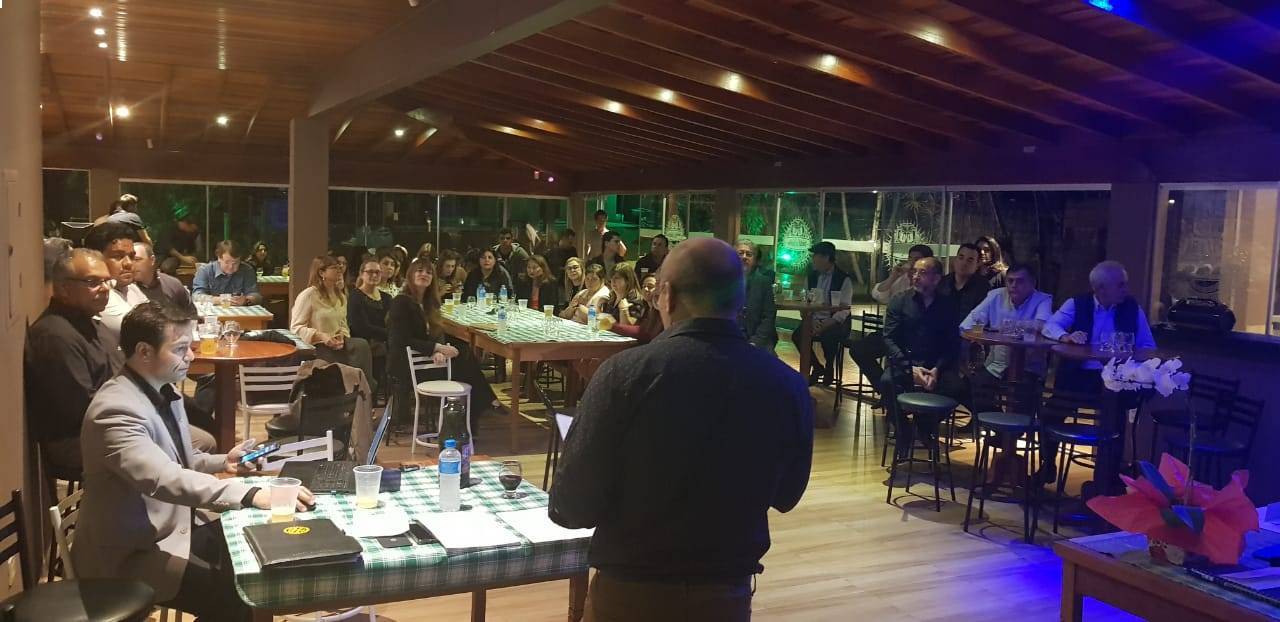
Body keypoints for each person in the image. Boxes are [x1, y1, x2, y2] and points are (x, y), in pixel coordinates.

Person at [549, 238, 813, 622]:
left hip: (630, 593)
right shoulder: (787, 384)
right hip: (727, 596)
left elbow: (572, 505)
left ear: (667, 296)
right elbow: (788, 494)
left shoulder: (623, 374)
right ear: (739, 301)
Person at [73, 302, 313, 622]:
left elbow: (176, 460)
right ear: (144, 352)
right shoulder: (116, 410)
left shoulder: (161, 390)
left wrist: (223, 462)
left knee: (250, 557)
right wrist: (250, 493)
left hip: (169, 525)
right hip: (129, 553)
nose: (190, 356)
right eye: (180, 348)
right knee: (239, 596)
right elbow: (164, 478)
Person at [1038, 260, 1156, 483]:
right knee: (1048, 414)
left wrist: (1133, 362)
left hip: (1114, 377)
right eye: (1120, 285)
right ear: (1101, 288)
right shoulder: (1077, 303)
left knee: (1115, 419)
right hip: (1079, 375)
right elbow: (1049, 326)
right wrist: (1066, 336)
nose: (1126, 289)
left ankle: (1108, 478)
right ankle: (1048, 465)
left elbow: (1148, 345)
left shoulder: (1132, 308)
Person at [25, 248, 124, 475]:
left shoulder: (90, 324)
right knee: (186, 443)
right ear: (63, 288)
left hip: (110, 422)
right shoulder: (55, 335)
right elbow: (84, 407)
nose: (105, 288)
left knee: (184, 429)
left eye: (107, 281)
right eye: (93, 282)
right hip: (76, 440)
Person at [387, 258, 506, 425]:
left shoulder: (429, 303)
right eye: (419, 271)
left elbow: (435, 333)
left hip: (425, 358)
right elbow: (402, 339)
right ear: (410, 275)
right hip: (406, 364)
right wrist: (436, 348)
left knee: (464, 354)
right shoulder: (401, 302)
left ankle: (473, 413)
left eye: (429, 272)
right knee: (465, 364)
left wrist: (438, 350)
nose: (424, 274)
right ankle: (479, 408)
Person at [881, 257, 965, 439]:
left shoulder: (948, 305)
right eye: (914, 272)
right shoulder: (899, 300)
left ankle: (924, 426)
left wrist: (937, 369)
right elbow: (889, 338)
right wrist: (909, 368)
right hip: (906, 362)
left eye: (922, 273)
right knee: (887, 382)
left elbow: (952, 343)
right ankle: (903, 429)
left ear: (936, 278)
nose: (916, 277)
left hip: (935, 365)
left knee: (957, 387)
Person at [291, 255, 377, 394]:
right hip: (317, 346)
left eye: (340, 267)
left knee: (361, 345)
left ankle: (363, 390)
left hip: (337, 345)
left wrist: (342, 336)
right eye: (334, 268)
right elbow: (296, 328)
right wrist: (322, 336)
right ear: (321, 272)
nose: (339, 270)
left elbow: (343, 324)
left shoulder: (340, 296)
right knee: (350, 352)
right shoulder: (308, 295)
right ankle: (357, 391)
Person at [961, 263, 1054, 381]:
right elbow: (970, 323)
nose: (1014, 285)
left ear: (1032, 283)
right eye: (1010, 281)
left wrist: (1008, 327)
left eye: (1020, 281)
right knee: (972, 384)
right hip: (995, 367)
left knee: (1023, 388)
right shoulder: (996, 295)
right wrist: (979, 334)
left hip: (1029, 369)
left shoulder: (1043, 300)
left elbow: (1042, 326)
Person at [792, 241, 854, 386]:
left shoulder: (843, 278)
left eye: (816, 256)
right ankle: (816, 366)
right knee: (798, 336)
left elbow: (845, 308)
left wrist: (827, 323)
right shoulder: (812, 276)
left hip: (835, 320)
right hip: (813, 318)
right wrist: (809, 318)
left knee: (829, 336)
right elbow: (806, 301)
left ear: (826, 258)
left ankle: (829, 367)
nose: (813, 259)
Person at [83, 222, 146, 337]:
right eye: (118, 256)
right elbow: (149, 331)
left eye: (132, 256)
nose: (128, 263)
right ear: (95, 260)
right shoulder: (98, 296)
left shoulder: (132, 288)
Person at [348, 259, 390, 386]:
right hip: (364, 343)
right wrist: (388, 334)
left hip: (385, 341)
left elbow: (392, 322)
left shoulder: (387, 298)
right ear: (362, 274)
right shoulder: (355, 296)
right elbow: (360, 327)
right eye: (370, 272)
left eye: (377, 272)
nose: (374, 275)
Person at [736, 240, 777, 352]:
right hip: (731, 338)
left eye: (749, 254)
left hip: (757, 338)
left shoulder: (764, 282)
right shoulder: (724, 281)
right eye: (740, 253)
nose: (744, 257)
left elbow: (768, 317)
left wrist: (755, 342)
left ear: (755, 260)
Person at [192, 240, 262, 306]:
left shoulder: (247, 270)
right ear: (219, 258)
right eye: (227, 262)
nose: (231, 267)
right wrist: (218, 300)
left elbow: (256, 295)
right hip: (212, 312)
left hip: (239, 312)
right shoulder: (205, 270)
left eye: (235, 263)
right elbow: (196, 296)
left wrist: (246, 300)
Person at [133, 241, 195, 314]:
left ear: (152, 260)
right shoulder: (125, 288)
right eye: (130, 260)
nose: (131, 264)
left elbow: (192, 315)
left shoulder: (172, 284)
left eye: (137, 259)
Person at [939, 243, 990, 319]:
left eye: (970, 260)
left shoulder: (982, 287)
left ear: (977, 265)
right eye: (961, 258)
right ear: (955, 260)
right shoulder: (942, 283)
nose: (964, 263)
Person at [599, 262, 648, 327]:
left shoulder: (635, 301)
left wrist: (624, 311)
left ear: (628, 280)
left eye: (617, 278)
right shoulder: (610, 298)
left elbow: (629, 328)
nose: (613, 281)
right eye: (612, 277)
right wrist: (598, 307)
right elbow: (602, 322)